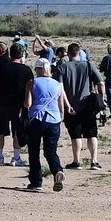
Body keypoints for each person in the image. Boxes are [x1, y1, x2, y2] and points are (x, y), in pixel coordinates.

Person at [23, 58, 71, 192]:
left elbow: (28, 104)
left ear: (38, 69)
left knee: (34, 151)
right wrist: (61, 119)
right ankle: (57, 171)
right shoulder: (57, 84)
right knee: (50, 151)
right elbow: (61, 106)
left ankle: (36, 182)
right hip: (54, 120)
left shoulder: (32, 82)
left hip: (37, 119)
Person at [57, 42, 104, 171]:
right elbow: (100, 82)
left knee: (75, 135)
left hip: (72, 106)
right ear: (79, 52)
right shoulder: (89, 65)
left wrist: (66, 105)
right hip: (88, 105)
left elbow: (61, 89)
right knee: (92, 133)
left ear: (68, 53)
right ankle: (94, 161)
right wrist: (102, 98)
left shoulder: (63, 67)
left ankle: (77, 161)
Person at [0, 42, 33, 167]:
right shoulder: (26, 70)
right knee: (17, 131)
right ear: (22, 54)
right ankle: (16, 157)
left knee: (0, 131)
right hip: (18, 105)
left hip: (1, 103)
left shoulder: (1, 67)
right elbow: (31, 87)